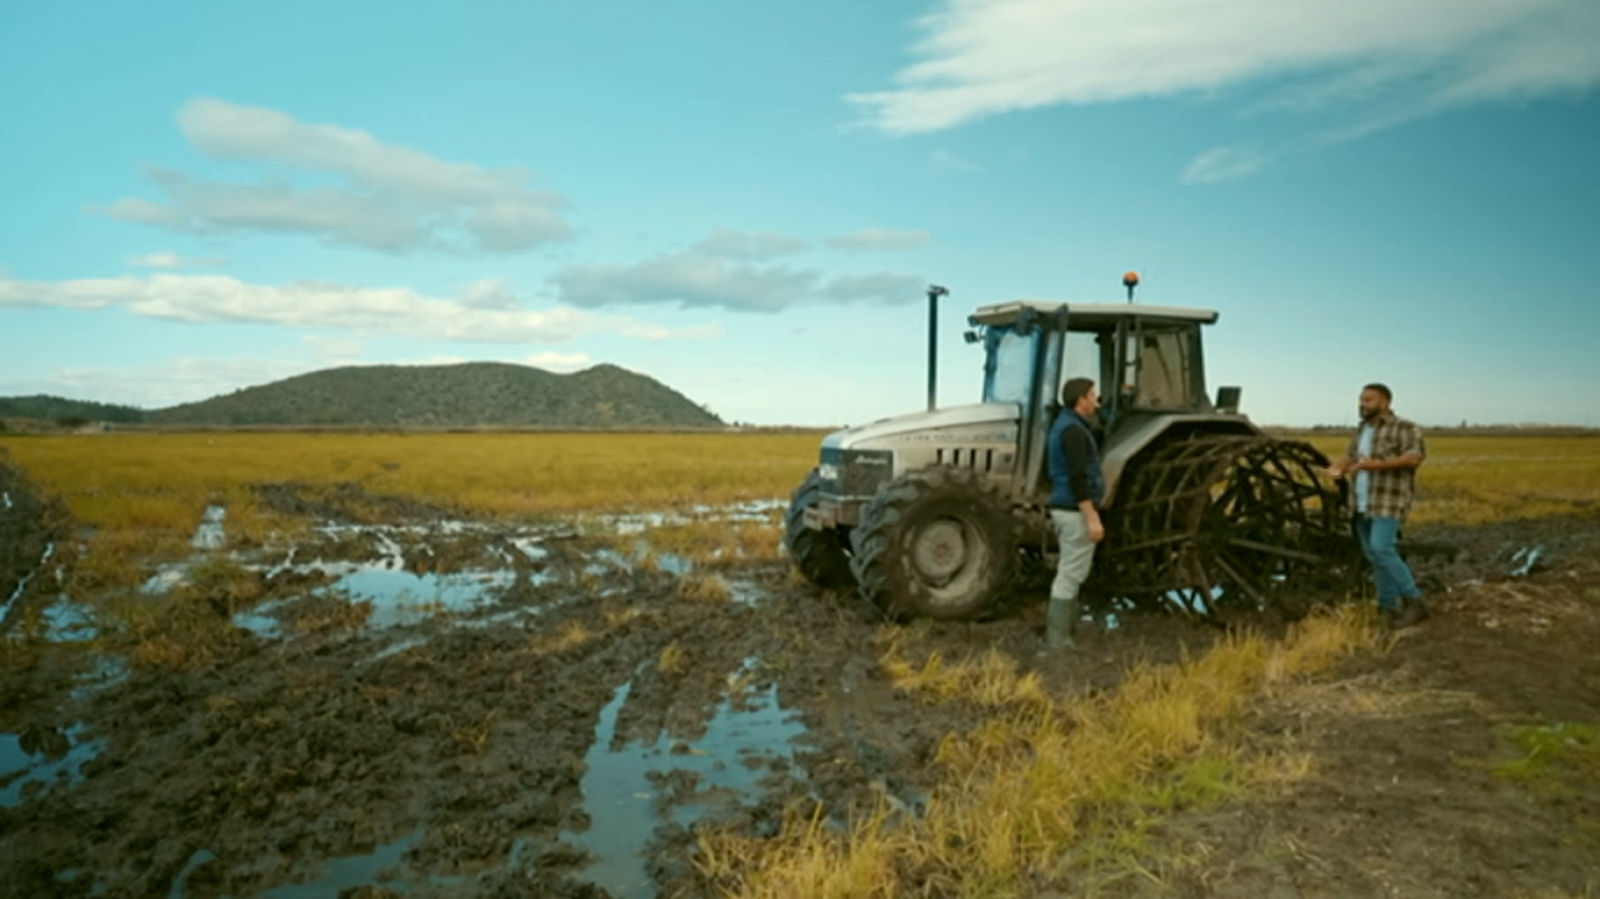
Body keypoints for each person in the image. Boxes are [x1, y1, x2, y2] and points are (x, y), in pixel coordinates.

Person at [1325, 383, 1429, 628]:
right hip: (1361, 502)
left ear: (1385, 402)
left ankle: (1415, 601)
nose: (1362, 405)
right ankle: (1387, 607)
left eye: (1369, 400)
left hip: (1387, 501)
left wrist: (1377, 465)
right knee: (1375, 556)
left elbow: (1414, 458)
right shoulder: (1362, 429)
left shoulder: (1405, 427)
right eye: (1361, 400)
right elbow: (1353, 458)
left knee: (1382, 549)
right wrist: (1338, 467)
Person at [1043, 377, 1105, 650]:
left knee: (1072, 569)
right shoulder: (1075, 432)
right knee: (1070, 573)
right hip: (1074, 510)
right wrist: (1091, 516)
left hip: (1064, 507)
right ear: (1081, 400)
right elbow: (1078, 478)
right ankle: (1058, 639)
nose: (1097, 401)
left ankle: (1067, 630)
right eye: (1093, 395)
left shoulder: (1064, 426)